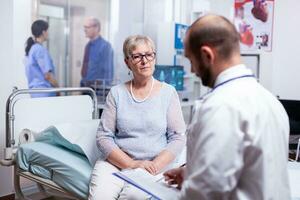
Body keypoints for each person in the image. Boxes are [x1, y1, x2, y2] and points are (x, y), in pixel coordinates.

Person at [163, 14, 290, 199]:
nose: (192, 70)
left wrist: (194, 184)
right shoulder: (270, 101)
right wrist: (191, 173)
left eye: (191, 61)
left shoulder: (220, 107)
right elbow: (250, 169)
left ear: (207, 55)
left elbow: (206, 192)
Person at [88, 35, 186, 200]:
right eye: (137, 56)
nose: (145, 61)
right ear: (127, 62)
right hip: (115, 163)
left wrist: (155, 165)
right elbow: (103, 137)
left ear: (154, 57)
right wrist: (131, 164)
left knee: (133, 196)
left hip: (153, 164)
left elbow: (178, 137)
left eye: (149, 54)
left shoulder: (168, 93)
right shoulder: (117, 93)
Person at [24, 19, 58, 97]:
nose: (48, 33)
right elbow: (48, 76)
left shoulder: (32, 49)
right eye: (47, 31)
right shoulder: (40, 50)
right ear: (43, 32)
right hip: (44, 92)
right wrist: (58, 88)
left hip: (35, 93)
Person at [81, 17, 114, 88]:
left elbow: (108, 74)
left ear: (96, 28)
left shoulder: (105, 46)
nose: (85, 30)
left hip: (98, 90)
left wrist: (102, 90)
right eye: (84, 27)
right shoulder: (88, 46)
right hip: (86, 86)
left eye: (87, 27)